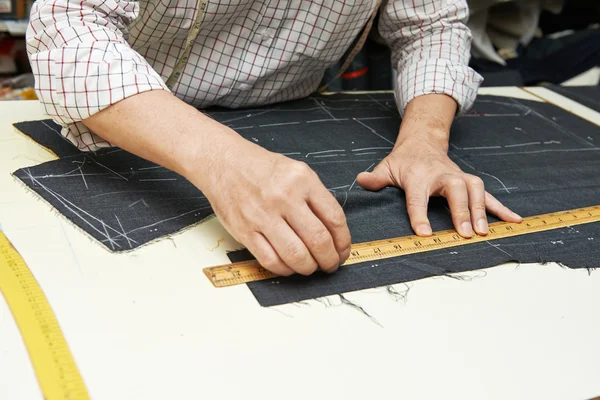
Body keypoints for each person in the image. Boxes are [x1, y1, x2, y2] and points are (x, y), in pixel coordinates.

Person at [26, 0, 521, 277]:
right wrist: (223, 162)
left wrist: (425, 140)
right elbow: (69, 27)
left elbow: (431, 25)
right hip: (130, 115)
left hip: (293, 115)